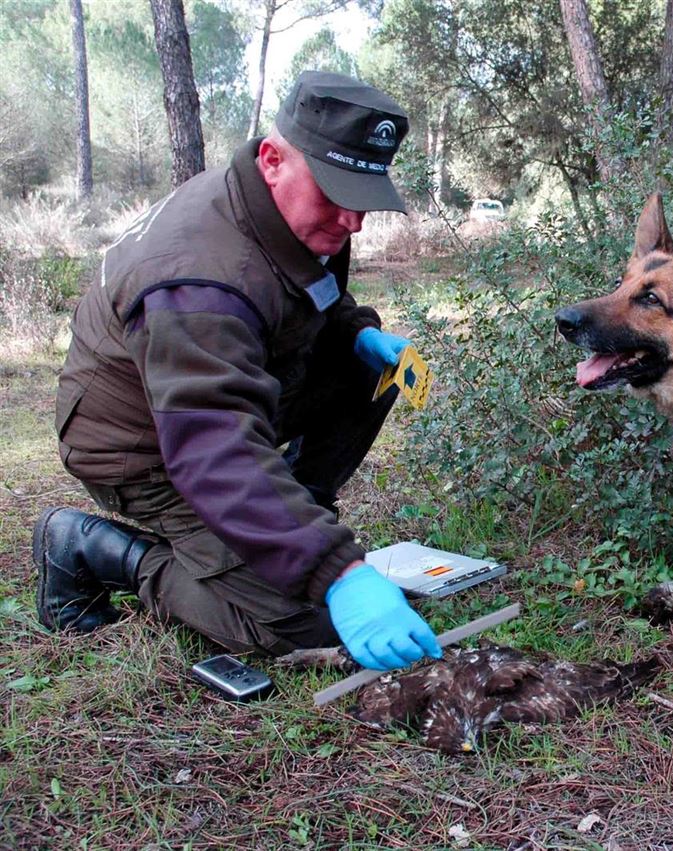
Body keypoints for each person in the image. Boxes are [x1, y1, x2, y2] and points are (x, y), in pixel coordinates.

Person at [34, 71, 441, 673]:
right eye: (335, 195)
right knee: (306, 625)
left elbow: (310, 292)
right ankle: (99, 552)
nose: (352, 223)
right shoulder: (197, 279)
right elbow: (213, 448)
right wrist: (337, 574)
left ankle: (283, 522)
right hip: (143, 444)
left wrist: (358, 331)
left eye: (363, 198)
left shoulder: (288, 205)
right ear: (273, 160)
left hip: (223, 395)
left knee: (366, 370)